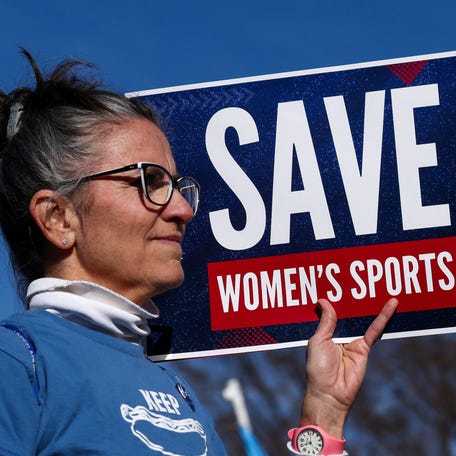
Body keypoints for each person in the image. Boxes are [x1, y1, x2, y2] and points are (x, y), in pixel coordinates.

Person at [0, 49, 397, 456]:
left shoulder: (180, 393)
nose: (183, 210)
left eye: (176, 185)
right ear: (58, 218)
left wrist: (322, 416)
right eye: (148, 181)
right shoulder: (17, 362)